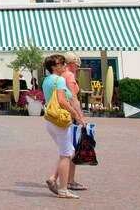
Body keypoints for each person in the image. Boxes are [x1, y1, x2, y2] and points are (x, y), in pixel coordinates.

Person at [43, 54, 84, 199]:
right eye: (62, 63)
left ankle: (54, 178)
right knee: (66, 154)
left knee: (68, 151)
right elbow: (62, 101)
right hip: (60, 119)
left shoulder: (46, 80)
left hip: (50, 119)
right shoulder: (59, 80)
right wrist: (76, 114)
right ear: (54, 67)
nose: (65, 65)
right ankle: (63, 188)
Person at [62, 52, 89, 193]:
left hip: (63, 114)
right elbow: (73, 98)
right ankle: (67, 180)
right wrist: (80, 116)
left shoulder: (60, 75)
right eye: (77, 65)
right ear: (72, 63)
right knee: (72, 148)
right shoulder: (69, 76)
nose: (77, 68)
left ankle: (65, 179)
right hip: (71, 114)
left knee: (67, 148)